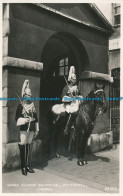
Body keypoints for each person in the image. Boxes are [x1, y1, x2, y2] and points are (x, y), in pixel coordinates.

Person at [15, 80, 39, 176]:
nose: (30, 96)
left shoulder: (32, 105)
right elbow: (16, 118)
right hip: (24, 128)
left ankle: (28, 165)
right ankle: (23, 167)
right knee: (23, 146)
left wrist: (37, 129)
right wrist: (25, 120)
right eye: (28, 95)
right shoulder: (20, 106)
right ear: (24, 96)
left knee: (29, 146)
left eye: (30, 95)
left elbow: (36, 118)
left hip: (32, 128)